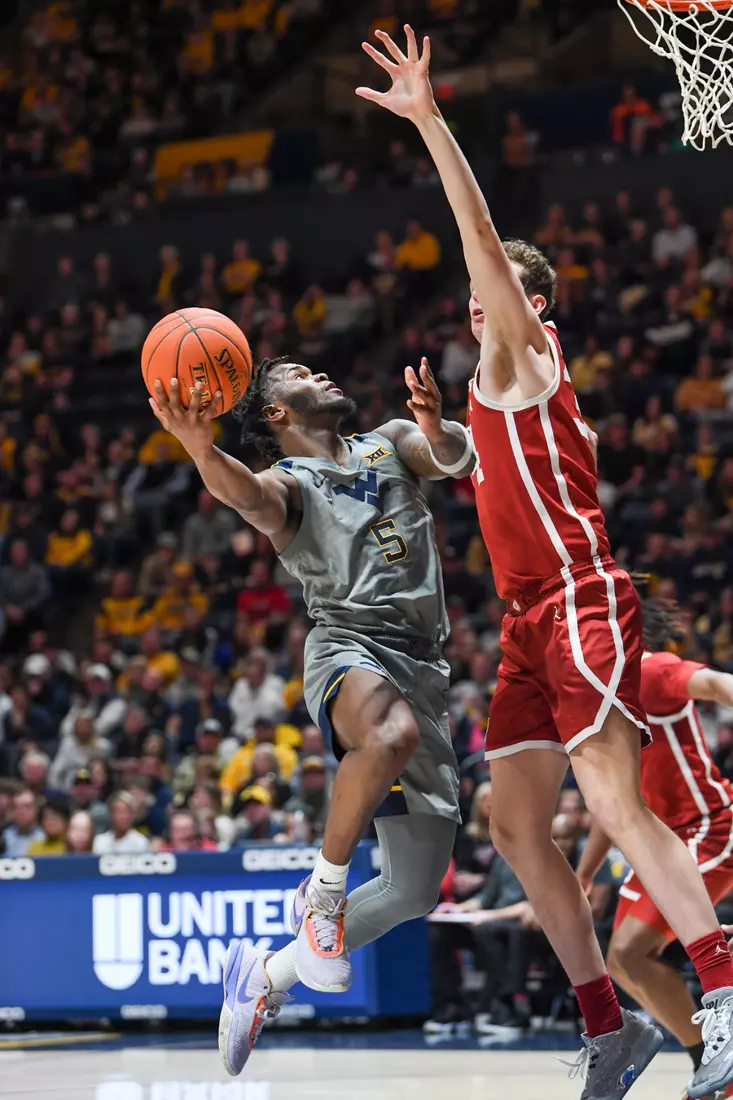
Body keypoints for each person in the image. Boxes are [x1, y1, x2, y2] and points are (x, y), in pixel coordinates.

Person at [358, 25, 733, 1100]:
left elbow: (478, 234)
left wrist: (431, 121)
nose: (477, 305)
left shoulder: (525, 349)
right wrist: (439, 439)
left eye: (493, 295)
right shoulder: (499, 392)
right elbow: (478, 467)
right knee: (514, 817)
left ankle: (719, 986)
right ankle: (608, 1024)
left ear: (525, 304)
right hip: (528, 621)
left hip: (579, 602)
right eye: (478, 300)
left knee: (613, 799)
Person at [149, 321, 473, 1074]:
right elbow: (244, 493)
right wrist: (201, 448)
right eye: (298, 374)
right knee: (384, 737)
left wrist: (435, 425)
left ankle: (263, 978)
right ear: (274, 414)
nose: (320, 376)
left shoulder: (391, 439)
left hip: (424, 665)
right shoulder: (288, 487)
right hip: (348, 645)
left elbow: (455, 459)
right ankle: (323, 895)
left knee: (410, 890)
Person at [579, 596, 733, 1099]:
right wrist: (584, 875)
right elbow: (616, 804)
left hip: (708, 825)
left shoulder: (649, 670)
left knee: (630, 949)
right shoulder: (597, 696)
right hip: (658, 836)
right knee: (623, 960)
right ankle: (711, 1068)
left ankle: (714, 1065)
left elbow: (712, 683)